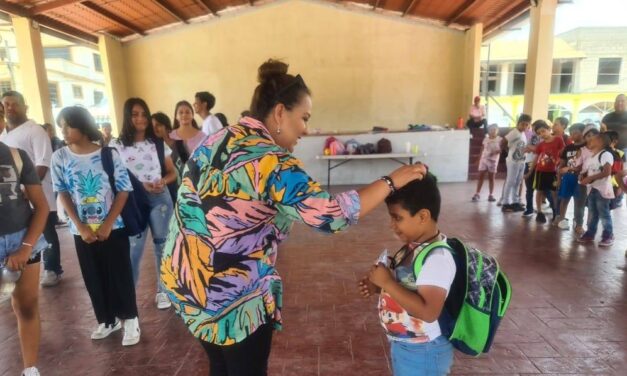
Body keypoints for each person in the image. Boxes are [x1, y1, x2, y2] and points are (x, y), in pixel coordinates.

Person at [161, 59, 427, 376]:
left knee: (220, 364)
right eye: (303, 118)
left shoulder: (217, 139)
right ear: (278, 113)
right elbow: (329, 215)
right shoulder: (269, 159)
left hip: (184, 283)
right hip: (231, 297)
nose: (306, 128)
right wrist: (391, 181)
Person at [51, 106, 140, 346]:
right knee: (93, 275)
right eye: (62, 126)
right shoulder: (59, 157)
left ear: (83, 125)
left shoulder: (108, 155)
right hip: (82, 230)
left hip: (114, 226)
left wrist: (108, 224)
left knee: (119, 273)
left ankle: (130, 319)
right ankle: (107, 320)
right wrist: (79, 226)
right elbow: (63, 192)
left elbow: (123, 189)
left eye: (69, 125)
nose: (64, 131)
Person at [358, 174, 455, 375]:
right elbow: (407, 289)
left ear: (422, 216)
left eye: (397, 218)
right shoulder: (411, 248)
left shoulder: (437, 258)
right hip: (407, 344)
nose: (392, 225)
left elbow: (428, 312)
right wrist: (379, 287)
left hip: (425, 351)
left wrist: (388, 283)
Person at [110, 98, 177, 310]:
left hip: (160, 198)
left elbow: (172, 172)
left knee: (163, 245)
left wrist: (162, 182)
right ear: (127, 117)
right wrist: (141, 185)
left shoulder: (156, 143)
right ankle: (128, 297)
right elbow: (114, 176)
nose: (140, 119)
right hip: (132, 201)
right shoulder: (116, 146)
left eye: (143, 114)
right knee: (133, 250)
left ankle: (163, 291)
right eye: (135, 114)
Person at [0, 91, 62, 287]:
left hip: (35, 192)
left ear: (24, 107)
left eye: (14, 104)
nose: (10, 108)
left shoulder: (35, 130)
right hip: (14, 202)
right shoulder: (4, 134)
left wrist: (25, 192)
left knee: (46, 232)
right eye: (6, 104)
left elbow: (42, 163)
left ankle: (52, 268)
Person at [0, 141, 49, 376]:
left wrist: (25, 248)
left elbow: (41, 206)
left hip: (22, 239)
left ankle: (30, 369)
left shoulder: (17, 157)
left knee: (26, 306)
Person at [577, 131, 614, 246]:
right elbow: (589, 172)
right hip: (592, 189)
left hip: (602, 190)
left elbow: (607, 172)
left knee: (604, 213)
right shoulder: (592, 157)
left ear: (600, 142)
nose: (589, 141)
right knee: (593, 213)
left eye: (592, 139)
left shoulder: (605, 154)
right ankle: (590, 233)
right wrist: (584, 178)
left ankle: (608, 235)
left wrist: (590, 178)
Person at [526, 120, 564, 224]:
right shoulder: (540, 145)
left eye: (543, 131)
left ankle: (556, 212)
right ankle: (539, 212)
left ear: (549, 129)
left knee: (554, 192)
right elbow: (536, 158)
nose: (542, 134)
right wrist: (530, 172)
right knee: (539, 191)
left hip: (553, 172)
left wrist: (560, 165)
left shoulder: (558, 140)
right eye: (539, 133)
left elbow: (562, 153)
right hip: (541, 171)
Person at [556, 123, 586, 230]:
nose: (573, 136)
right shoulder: (568, 148)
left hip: (581, 178)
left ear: (583, 133)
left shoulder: (586, 147)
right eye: (571, 133)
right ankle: (562, 219)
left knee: (579, 201)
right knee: (564, 199)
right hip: (568, 177)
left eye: (576, 133)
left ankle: (578, 222)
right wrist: (559, 179)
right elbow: (562, 165)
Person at [501, 114, 531, 213]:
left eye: (526, 125)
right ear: (518, 123)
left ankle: (515, 201)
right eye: (522, 124)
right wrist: (507, 151)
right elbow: (503, 141)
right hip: (513, 162)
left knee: (518, 181)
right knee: (510, 181)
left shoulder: (522, 133)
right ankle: (505, 203)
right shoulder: (515, 132)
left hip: (521, 161)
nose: (524, 127)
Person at [151, 112, 179, 202]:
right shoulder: (152, 147)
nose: (154, 128)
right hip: (164, 190)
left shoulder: (179, 144)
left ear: (166, 127)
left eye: (158, 125)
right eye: (152, 126)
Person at [472, 124, 501, 202]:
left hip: (493, 161)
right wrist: (479, 159)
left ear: (497, 131)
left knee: (491, 178)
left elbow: (501, 149)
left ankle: (491, 194)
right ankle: (477, 193)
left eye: (495, 129)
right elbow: (482, 149)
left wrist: (495, 152)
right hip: (484, 160)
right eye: (491, 129)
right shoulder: (485, 139)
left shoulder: (500, 139)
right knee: (480, 176)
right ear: (488, 131)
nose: (493, 131)